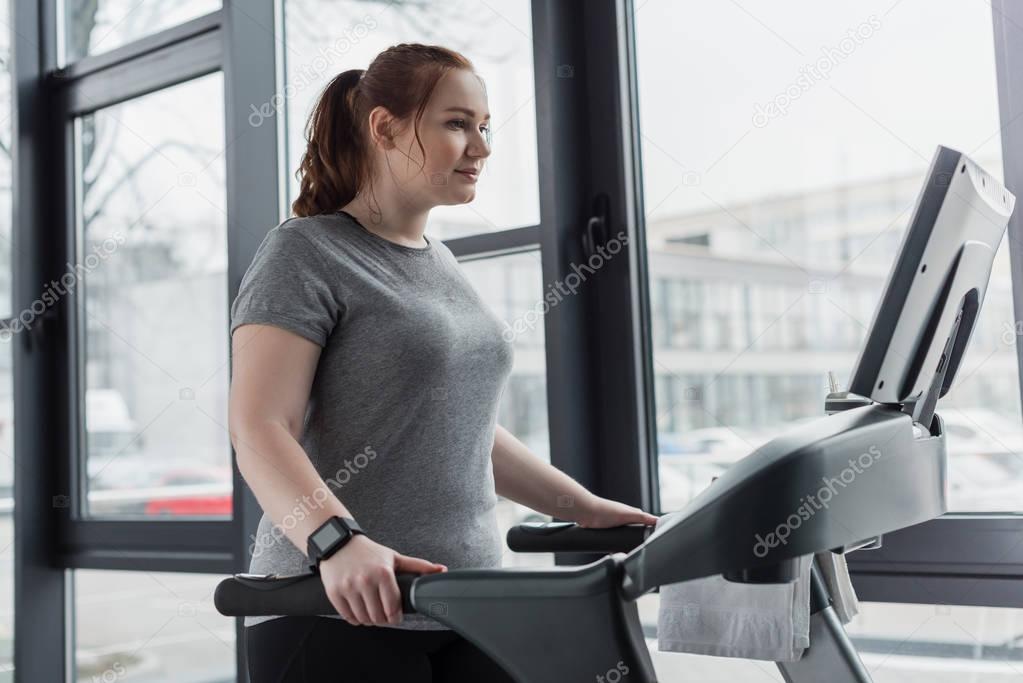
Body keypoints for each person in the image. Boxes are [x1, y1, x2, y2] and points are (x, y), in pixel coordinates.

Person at [228, 42, 657, 683]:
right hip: (334, 611)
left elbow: (461, 424)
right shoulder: (304, 253)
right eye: (458, 124)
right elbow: (258, 426)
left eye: (483, 127)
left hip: (471, 604)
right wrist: (335, 542)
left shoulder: (443, 263)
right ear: (385, 128)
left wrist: (581, 506)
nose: (481, 147)